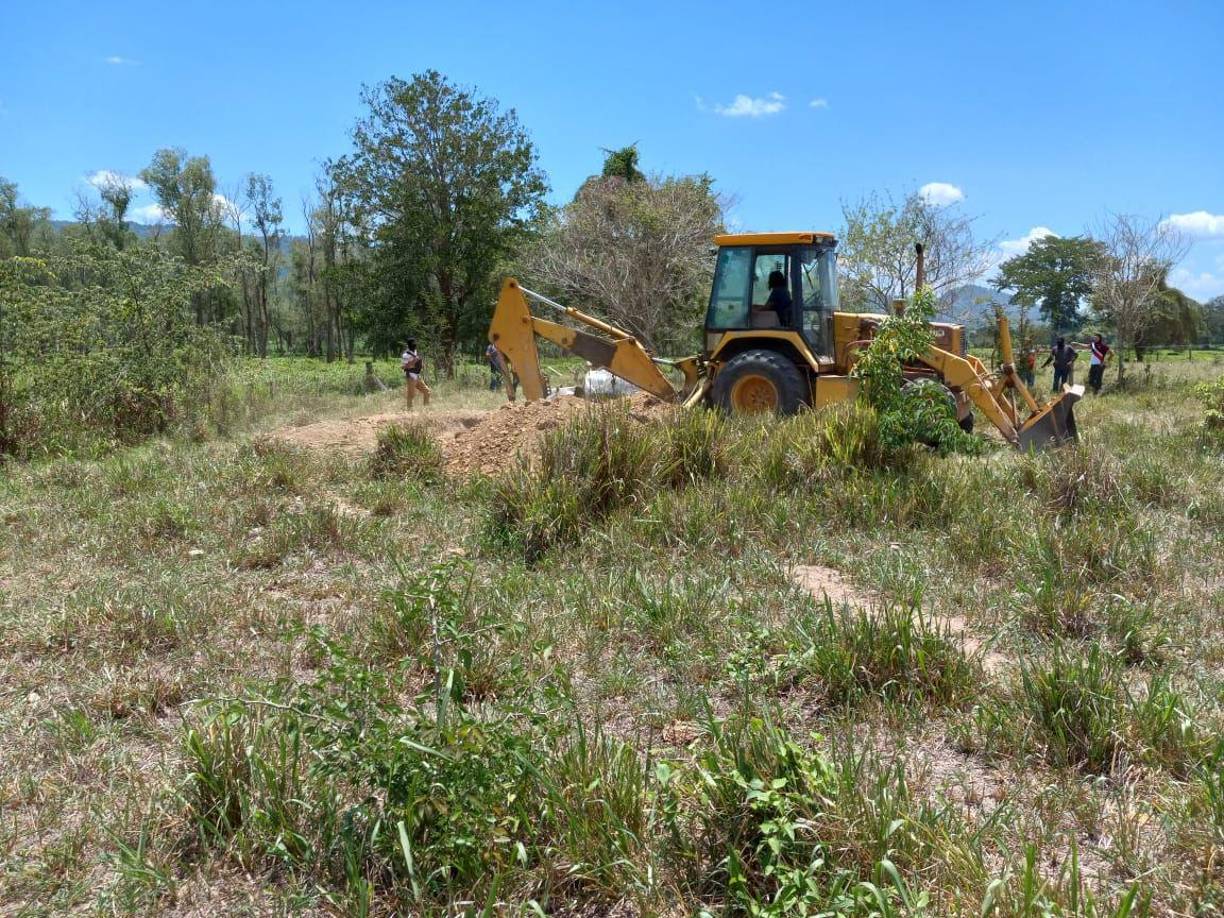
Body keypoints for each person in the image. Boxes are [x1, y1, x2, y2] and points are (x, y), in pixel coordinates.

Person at [400, 338, 430, 408]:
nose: (414, 345)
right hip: (411, 376)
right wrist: (414, 361)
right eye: (412, 344)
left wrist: (421, 364)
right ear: (408, 345)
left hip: (417, 376)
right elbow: (403, 367)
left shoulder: (415, 352)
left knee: (427, 392)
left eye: (414, 344)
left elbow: (418, 361)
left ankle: (426, 409)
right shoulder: (405, 355)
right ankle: (409, 412)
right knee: (411, 395)